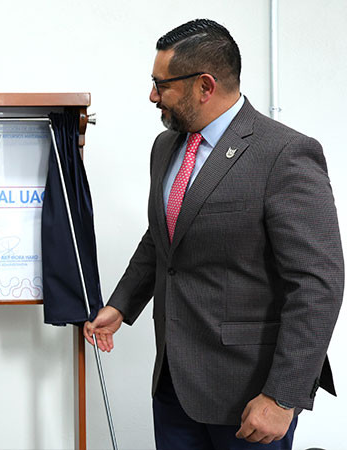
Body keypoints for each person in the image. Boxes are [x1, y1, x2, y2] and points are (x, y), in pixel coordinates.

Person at [84, 19, 343, 449]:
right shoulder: (165, 148)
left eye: (160, 84)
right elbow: (164, 236)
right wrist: (121, 303)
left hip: (249, 397)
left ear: (205, 85)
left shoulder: (283, 154)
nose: (152, 95)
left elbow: (318, 284)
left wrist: (282, 396)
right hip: (173, 387)